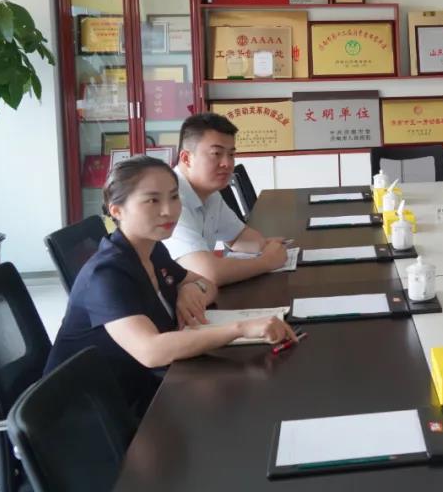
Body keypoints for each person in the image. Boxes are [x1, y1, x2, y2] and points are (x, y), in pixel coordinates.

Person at [45, 156, 297, 414]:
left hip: (145, 385)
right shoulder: (105, 275)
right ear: (117, 210)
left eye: (174, 197)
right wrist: (240, 328)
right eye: (152, 200)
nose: (169, 210)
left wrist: (189, 289)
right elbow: (151, 351)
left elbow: (205, 283)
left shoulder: (152, 249)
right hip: (91, 413)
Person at [165, 113, 289, 285]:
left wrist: (265, 245)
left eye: (231, 154)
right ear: (187, 158)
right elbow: (208, 273)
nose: (227, 163)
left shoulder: (210, 192)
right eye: (216, 153)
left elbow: (238, 237)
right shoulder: (169, 199)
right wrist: (267, 261)